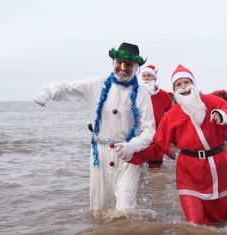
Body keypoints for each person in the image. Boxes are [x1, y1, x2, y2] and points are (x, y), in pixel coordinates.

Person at [119, 64, 227, 225]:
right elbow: (159, 146)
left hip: (219, 167)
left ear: (193, 83)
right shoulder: (173, 115)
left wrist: (223, 115)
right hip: (189, 172)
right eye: (178, 84)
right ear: (174, 89)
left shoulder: (212, 101)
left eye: (186, 82)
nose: (183, 87)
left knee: (222, 223)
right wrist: (131, 152)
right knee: (195, 225)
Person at [34, 42, 155, 211]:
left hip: (127, 155)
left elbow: (149, 130)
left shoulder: (142, 94)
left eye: (128, 65)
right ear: (113, 62)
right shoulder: (95, 84)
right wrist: (48, 91)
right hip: (100, 154)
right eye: (119, 63)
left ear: (135, 67)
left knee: (126, 208)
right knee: (100, 207)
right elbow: (67, 87)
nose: (122, 68)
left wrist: (133, 146)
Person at [140, 64, 173, 168]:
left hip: (157, 137)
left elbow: (172, 115)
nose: (146, 78)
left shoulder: (164, 95)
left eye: (149, 76)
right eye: (144, 75)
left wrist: (167, 134)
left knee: (156, 170)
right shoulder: (135, 93)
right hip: (138, 136)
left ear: (155, 78)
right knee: (137, 168)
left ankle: (157, 185)